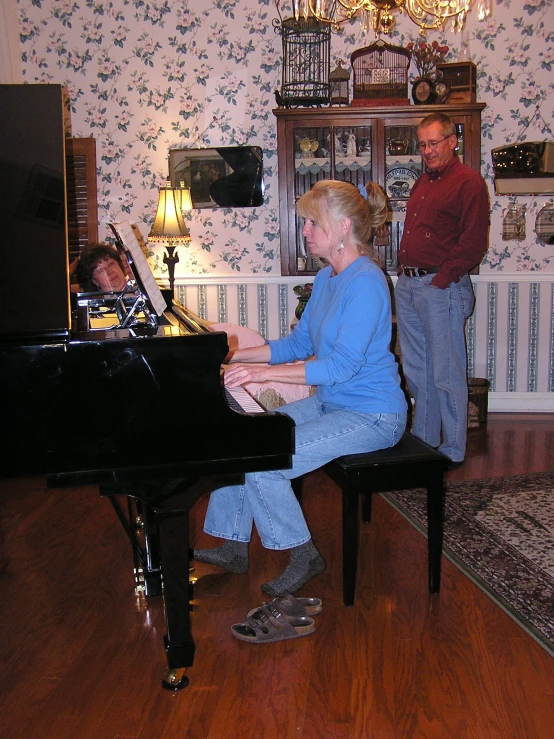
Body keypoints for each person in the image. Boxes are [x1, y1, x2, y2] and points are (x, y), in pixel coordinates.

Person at [194, 180, 408, 602]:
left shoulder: (367, 282)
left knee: (267, 462)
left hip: (374, 414)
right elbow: (296, 345)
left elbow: (342, 367)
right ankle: (233, 544)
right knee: (243, 438)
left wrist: (261, 378)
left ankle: (304, 554)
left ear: (343, 227)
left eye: (312, 222)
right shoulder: (328, 277)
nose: (305, 230)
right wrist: (230, 357)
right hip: (333, 404)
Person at [395, 112, 489, 468]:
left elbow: (473, 243)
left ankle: (452, 449)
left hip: (440, 288)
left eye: (434, 143)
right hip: (409, 285)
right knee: (417, 370)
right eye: (422, 144)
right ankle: (424, 441)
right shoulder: (422, 183)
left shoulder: (469, 183)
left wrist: (441, 279)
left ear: (453, 141)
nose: (427, 150)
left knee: (446, 372)